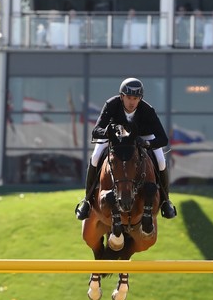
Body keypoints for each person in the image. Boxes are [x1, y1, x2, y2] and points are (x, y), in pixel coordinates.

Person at [75, 77, 177, 220]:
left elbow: (163, 139)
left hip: (142, 137)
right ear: (122, 96)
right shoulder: (111, 104)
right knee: (96, 156)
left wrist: (146, 144)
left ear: (140, 98)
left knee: (161, 160)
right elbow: (96, 130)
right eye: (129, 97)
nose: (132, 102)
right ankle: (87, 200)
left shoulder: (147, 110)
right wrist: (108, 132)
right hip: (115, 137)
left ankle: (166, 201)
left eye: (135, 98)